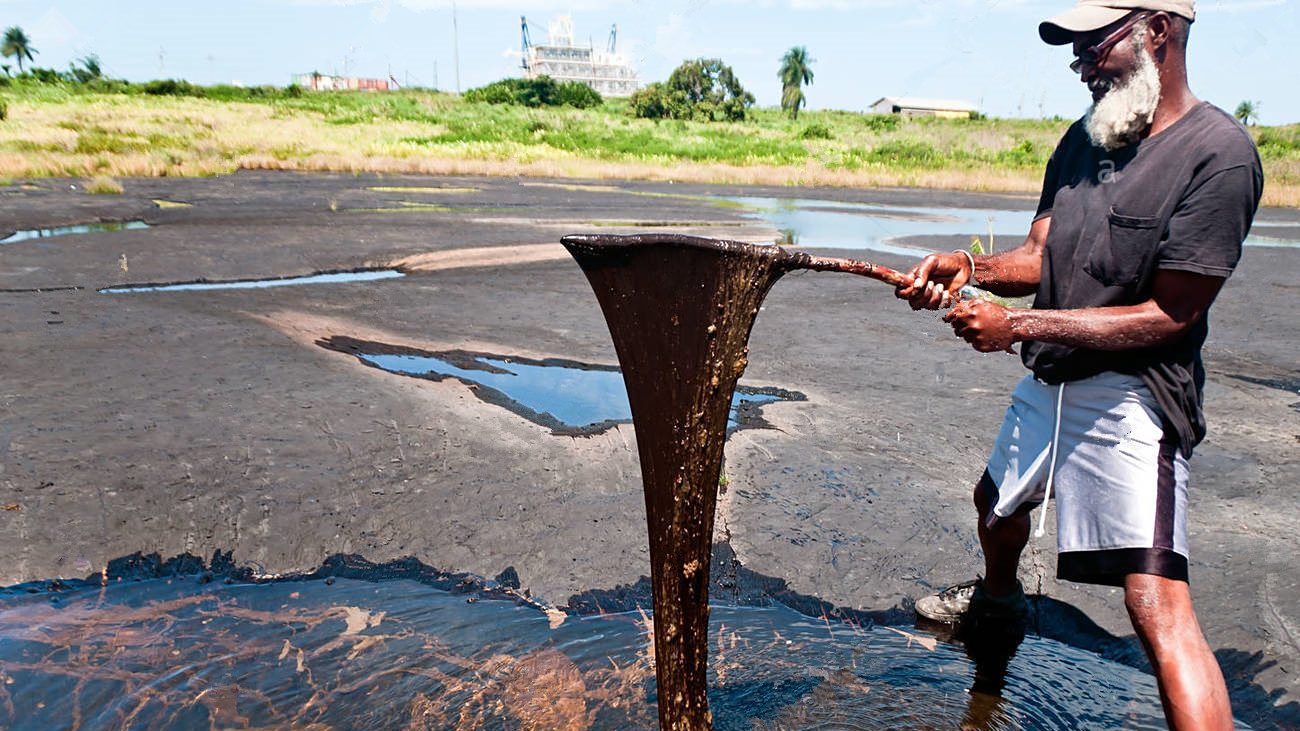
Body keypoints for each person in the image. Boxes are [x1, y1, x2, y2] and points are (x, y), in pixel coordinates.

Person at [894, 2, 1263, 730]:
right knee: (996, 507)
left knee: (1154, 601)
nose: (1082, 65)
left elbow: (1172, 313)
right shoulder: (1083, 141)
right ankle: (999, 604)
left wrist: (1016, 325)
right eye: (1076, 52)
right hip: (1052, 375)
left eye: (1095, 46)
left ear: (1156, 31)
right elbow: (1039, 255)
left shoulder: (1218, 153)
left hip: (1135, 398)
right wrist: (967, 267)